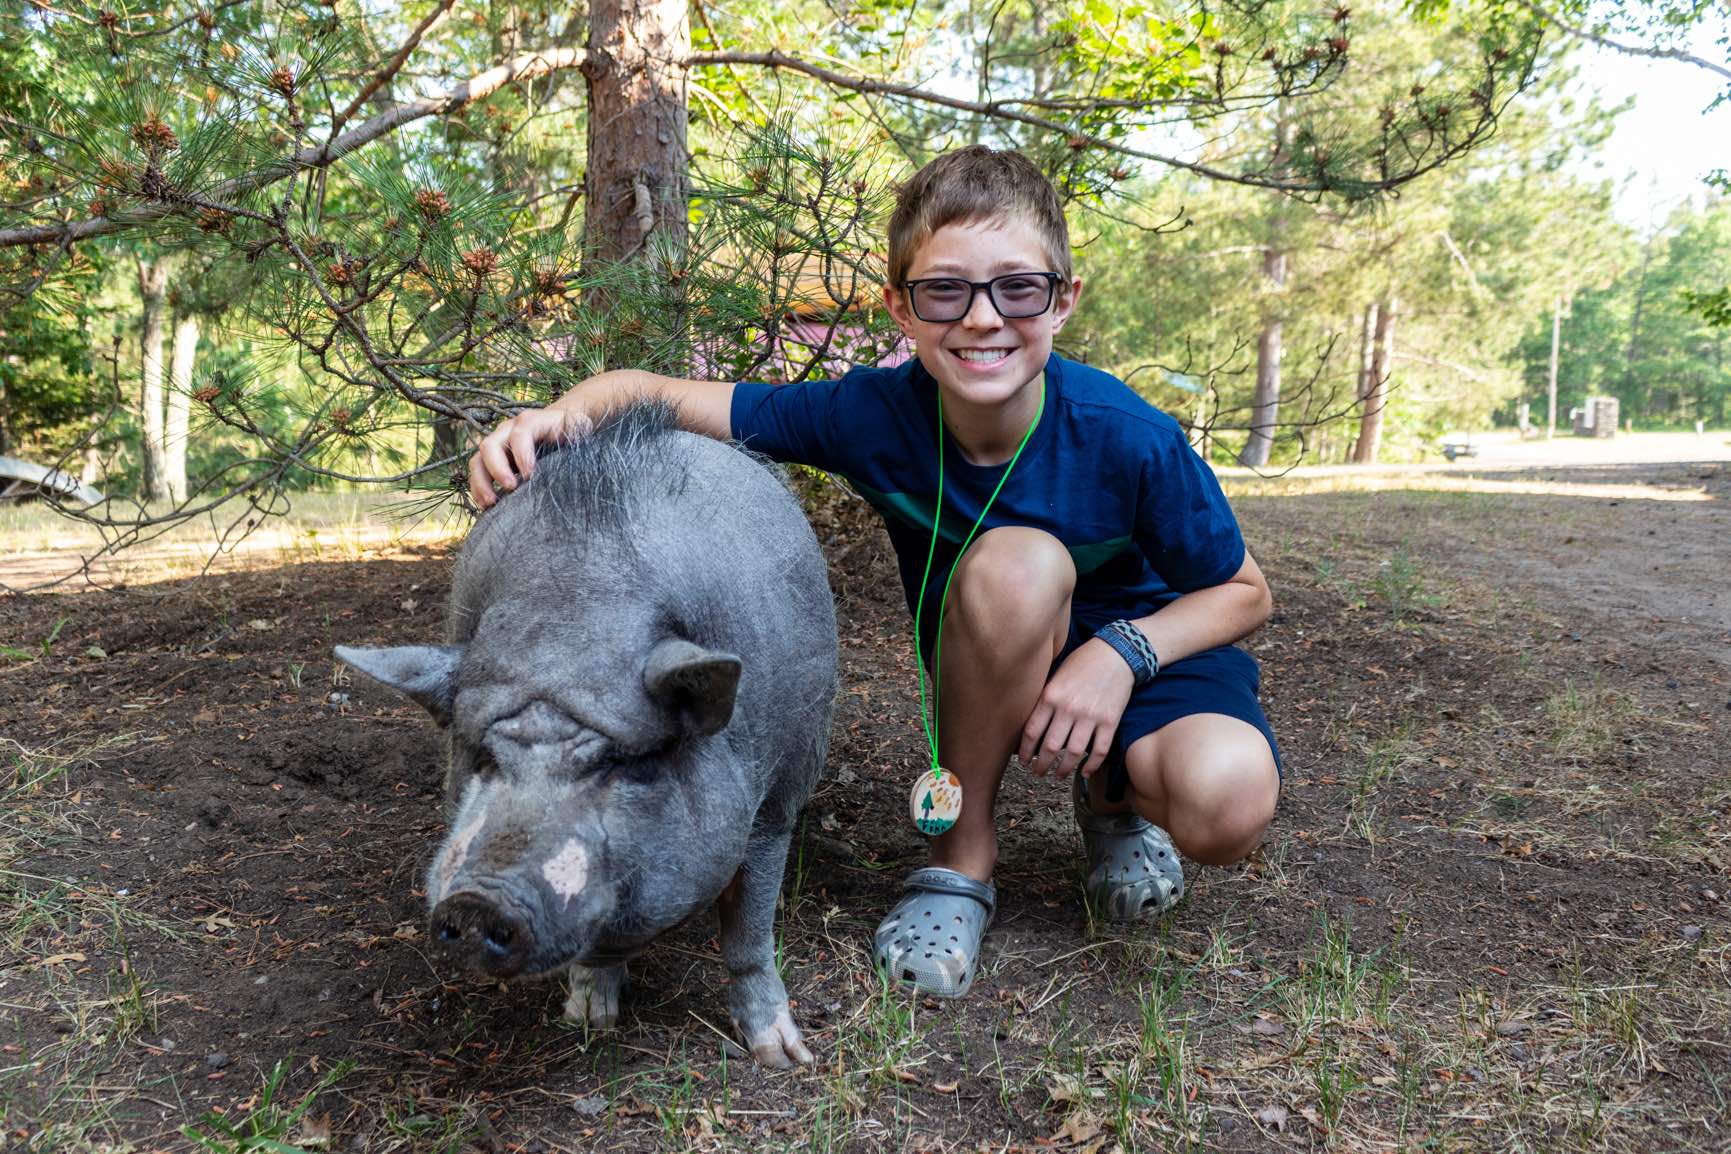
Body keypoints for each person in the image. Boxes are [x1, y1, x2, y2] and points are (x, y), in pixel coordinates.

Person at [468, 146, 1279, 1000]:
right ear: (899, 306)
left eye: (1017, 287)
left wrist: (1116, 656)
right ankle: (960, 859)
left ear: (1063, 299)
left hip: (1151, 652)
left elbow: (1245, 591)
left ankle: (1110, 799)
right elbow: (653, 392)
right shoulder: (872, 415)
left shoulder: (1125, 433)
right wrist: (551, 418)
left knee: (1225, 807)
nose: (981, 319)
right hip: (998, 641)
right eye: (944, 290)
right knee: (1017, 562)